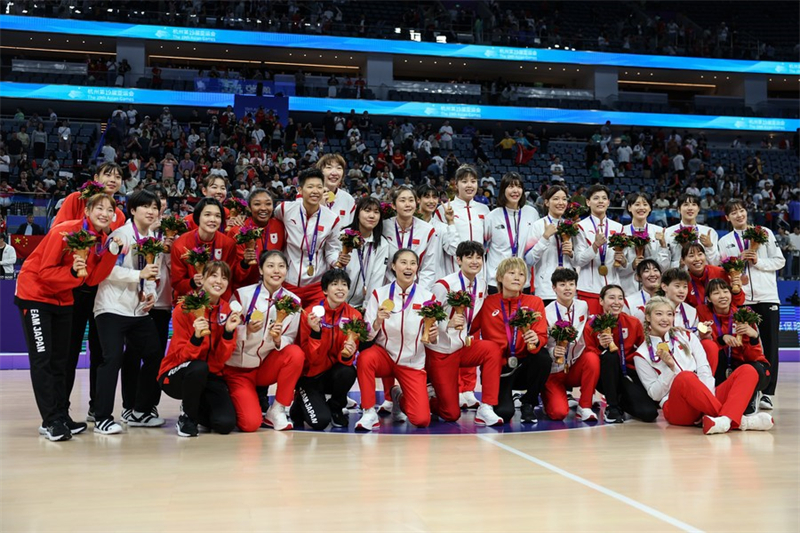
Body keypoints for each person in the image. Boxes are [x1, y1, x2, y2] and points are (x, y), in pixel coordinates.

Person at [15, 194, 122, 441]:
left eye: (110, 210)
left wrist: (111, 253)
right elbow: (44, 271)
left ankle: (61, 415)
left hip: (64, 298)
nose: (105, 213)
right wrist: (72, 272)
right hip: (35, 296)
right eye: (99, 208)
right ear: (87, 210)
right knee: (43, 359)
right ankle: (50, 420)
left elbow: (93, 278)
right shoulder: (64, 231)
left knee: (61, 361)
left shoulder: (102, 241)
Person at [635, 297, 773, 434]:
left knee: (748, 370)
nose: (665, 319)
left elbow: (704, 369)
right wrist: (670, 369)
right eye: (659, 314)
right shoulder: (641, 354)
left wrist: (705, 398)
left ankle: (723, 421)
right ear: (648, 317)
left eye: (669, 314)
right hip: (676, 407)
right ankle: (740, 420)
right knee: (685, 377)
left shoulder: (686, 336)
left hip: (706, 397)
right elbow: (654, 394)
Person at [56, 163, 127, 422]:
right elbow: (60, 234)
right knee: (69, 350)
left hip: (101, 289)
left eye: (118, 176)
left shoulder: (118, 214)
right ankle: (60, 410)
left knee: (101, 351)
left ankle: (98, 408)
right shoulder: (76, 199)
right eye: (107, 174)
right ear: (95, 178)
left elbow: (116, 251)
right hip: (74, 287)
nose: (113, 179)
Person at [92, 190, 165, 434]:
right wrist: (138, 276)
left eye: (154, 207)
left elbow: (152, 271)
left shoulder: (153, 236)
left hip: (138, 311)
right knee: (111, 358)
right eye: (145, 206)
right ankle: (102, 416)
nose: (151, 211)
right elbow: (106, 271)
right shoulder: (120, 235)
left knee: (155, 353)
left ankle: (139, 410)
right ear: (132, 210)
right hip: (112, 308)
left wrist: (151, 294)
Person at [355, 249, 437, 430]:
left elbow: (432, 337)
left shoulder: (428, 298)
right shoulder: (379, 294)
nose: (408, 267)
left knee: (422, 420)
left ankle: (397, 397)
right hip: (384, 355)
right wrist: (377, 321)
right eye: (403, 262)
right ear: (393, 266)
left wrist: (433, 336)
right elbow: (366, 335)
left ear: (417, 267)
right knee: (365, 358)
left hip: (412, 361)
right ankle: (369, 412)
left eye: (413, 263)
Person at [158, 261, 242, 437]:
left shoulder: (227, 311)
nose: (219, 281)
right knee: (198, 367)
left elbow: (220, 360)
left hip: (210, 375)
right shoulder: (184, 309)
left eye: (224, 277)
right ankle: (187, 417)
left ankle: (195, 405)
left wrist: (228, 332)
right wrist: (196, 337)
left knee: (225, 424)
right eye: (213, 275)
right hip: (176, 373)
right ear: (202, 279)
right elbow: (181, 356)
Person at [225, 250, 305, 432]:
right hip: (239, 369)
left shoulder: (293, 301)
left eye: (281, 266)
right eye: (270, 266)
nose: (276, 271)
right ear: (260, 270)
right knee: (250, 424)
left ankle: (277, 409)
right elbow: (227, 331)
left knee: (295, 354)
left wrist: (278, 340)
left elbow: (290, 337)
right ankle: (232, 397)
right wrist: (247, 330)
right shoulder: (242, 295)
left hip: (264, 368)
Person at [426, 241, 503, 425]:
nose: (475, 261)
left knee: (492, 349)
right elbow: (426, 315)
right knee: (451, 414)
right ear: (458, 259)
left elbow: (474, 318)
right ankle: (421, 396)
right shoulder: (443, 285)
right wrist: (447, 323)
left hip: (462, 347)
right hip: (441, 351)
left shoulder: (482, 285)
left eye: (478, 257)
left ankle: (486, 407)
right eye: (469, 257)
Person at [717, 199, 784, 410]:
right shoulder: (725, 241)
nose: (739, 215)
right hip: (742, 298)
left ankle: (768, 394)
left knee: (771, 345)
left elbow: (779, 261)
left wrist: (758, 261)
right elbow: (723, 268)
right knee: (745, 345)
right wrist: (737, 265)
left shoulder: (764, 232)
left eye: (742, 210)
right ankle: (750, 389)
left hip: (767, 297)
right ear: (727, 218)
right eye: (733, 212)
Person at [471, 257, 549, 423]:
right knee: (504, 413)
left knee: (543, 358)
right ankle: (505, 399)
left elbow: (542, 335)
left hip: (524, 366)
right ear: (499, 277)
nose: (517, 277)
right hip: (499, 368)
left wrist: (536, 340)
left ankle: (528, 402)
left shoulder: (534, 302)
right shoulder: (487, 304)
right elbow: (469, 329)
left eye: (521, 274)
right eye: (511, 273)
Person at [295, 269, 361, 430]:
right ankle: (299, 404)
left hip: (333, 375)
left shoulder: (354, 316)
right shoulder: (310, 314)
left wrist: (349, 353)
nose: (340, 288)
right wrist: (315, 333)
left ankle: (336, 407)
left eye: (344, 285)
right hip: (310, 375)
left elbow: (345, 361)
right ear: (325, 290)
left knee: (348, 371)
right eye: (334, 284)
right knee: (319, 422)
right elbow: (309, 357)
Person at [696, 279, 771, 414]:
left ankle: (752, 395)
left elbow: (753, 357)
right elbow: (703, 347)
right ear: (708, 298)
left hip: (746, 365)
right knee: (716, 356)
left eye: (725, 291)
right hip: (721, 366)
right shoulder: (702, 313)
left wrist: (754, 337)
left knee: (753, 369)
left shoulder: (743, 316)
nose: (722, 296)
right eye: (716, 293)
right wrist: (722, 339)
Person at [584, 284, 656, 424]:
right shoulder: (592, 325)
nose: (617, 302)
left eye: (620, 298)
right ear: (601, 301)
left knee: (649, 413)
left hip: (627, 373)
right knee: (610, 355)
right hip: (604, 375)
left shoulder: (633, 322)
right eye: (611, 298)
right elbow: (589, 355)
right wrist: (601, 347)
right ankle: (612, 406)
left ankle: (621, 401)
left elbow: (644, 349)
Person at [274, 168, 344, 307]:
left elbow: (332, 249)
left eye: (319, 187)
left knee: (314, 325)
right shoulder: (285, 209)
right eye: (310, 186)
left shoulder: (332, 219)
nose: (315, 191)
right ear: (300, 190)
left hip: (317, 284)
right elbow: (270, 224)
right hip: (288, 281)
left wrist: (338, 261)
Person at [542, 268, 599, 422]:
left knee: (592, 358)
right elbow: (542, 344)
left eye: (571, 284)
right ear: (554, 288)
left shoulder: (583, 306)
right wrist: (553, 351)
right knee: (559, 413)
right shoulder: (546, 312)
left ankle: (585, 406)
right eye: (562, 284)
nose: (567, 288)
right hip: (554, 371)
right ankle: (547, 395)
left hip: (574, 367)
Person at [171, 197, 245, 304]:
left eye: (217, 216)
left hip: (218, 303)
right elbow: (177, 282)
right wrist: (192, 282)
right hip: (190, 302)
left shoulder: (228, 244)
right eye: (207, 215)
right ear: (198, 217)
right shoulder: (181, 244)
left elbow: (229, 278)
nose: (213, 219)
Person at [574, 185, 633, 315]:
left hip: (614, 290)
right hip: (589, 290)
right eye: (596, 198)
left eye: (604, 198)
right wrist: (595, 246)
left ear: (608, 202)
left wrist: (623, 261)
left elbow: (625, 265)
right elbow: (578, 261)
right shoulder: (580, 227)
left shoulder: (618, 228)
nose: (600, 201)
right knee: (591, 330)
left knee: (613, 331)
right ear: (588, 202)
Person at [485, 172, 540, 295]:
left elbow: (534, 249)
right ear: (503, 190)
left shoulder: (532, 213)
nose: (515, 190)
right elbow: (483, 250)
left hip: (522, 281)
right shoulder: (492, 217)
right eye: (510, 186)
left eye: (519, 186)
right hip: (496, 282)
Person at [435, 165, 490, 276]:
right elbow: (442, 248)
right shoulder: (443, 210)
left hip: (479, 276)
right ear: (456, 184)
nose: (469, 185)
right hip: (453, 273)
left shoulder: (484, 210)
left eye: (473, 181)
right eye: (464, 181)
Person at [226, 189, 285, 288]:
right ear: (249, 208)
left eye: (268, 204)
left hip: (273, 287)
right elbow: (231, 272)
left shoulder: (280, 226)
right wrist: (245, 263)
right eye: (257, 204)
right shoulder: (237, 231)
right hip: (244, 288)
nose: (263, 208)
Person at [526, 185, 574, 305]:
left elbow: (579, 261)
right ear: (547, 202)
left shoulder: (571, 227)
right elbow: (529, 259)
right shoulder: (537, 225)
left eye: (564, 199)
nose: (561, 202)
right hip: (546, 289)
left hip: (568, 288)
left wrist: (572, 253)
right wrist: (545, 238)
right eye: (556, 198)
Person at [382, 186, 438, 289]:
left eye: (411, 200)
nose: (407, 204)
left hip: (415, 288)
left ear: (416, 203)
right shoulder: (383, 227)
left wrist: (419, 293)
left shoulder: (427, 230)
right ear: (393, 205)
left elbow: (428, 268)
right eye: (402, 200)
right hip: (387, 287)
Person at [344, 197, 390, 310]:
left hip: (360, 307)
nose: (372, 216)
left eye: (376, 212)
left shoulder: (382, 244)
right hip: (335, 302)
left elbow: (376, 279)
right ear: (358, 213)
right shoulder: (343, 236)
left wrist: (366, 310)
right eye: (367, 210)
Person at [620, 192, 669, 296]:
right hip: (628, 289)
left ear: (650, 208)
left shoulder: (659, 231)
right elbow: (617, 269)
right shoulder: (621, 232)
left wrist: (663, 245)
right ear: (629, 208)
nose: (641, 208)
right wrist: (632, 265)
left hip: (654, 289)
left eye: (645, 204)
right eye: (637, 204)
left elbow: (664, 267)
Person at [415, 184, 459, 283]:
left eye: (434, 197)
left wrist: (451, 222)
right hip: (411, 281)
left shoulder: (442, 228)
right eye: (427, 197)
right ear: (418, 200)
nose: (431, 201)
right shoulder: (410, 225)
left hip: (435, 281)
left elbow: (454, 250)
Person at [681, 242, 744, 308]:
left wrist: (737, 292)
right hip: (698, 317)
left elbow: (739, 302)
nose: (697, 259)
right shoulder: (683, 281)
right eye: (691, 256)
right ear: (683, 260)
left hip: (725, 316)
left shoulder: (720, 272)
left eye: (700, 254)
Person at [665, 193, 720, 268]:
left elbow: (715, 263)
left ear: (698, 209)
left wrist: (709, 246)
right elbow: (664, 265)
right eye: (686, 204)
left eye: (694, 204)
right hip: (679, 276)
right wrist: (679, 265)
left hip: (703, 277)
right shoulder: (669, 232)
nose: (690, 208)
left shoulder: (709, 232)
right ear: (678, 209)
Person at [317, 153, 356, 226]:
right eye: (329, 167)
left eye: (339, 168)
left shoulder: (348, 200)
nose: (334, 173)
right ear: (320, 172)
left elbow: (351, 230)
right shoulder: (308, 195)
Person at [625, 259, 662, 324]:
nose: (652, 274)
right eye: (646, 271)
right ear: (638, 277)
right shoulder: (629, 301)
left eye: (655, 270)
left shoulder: (667, 298)